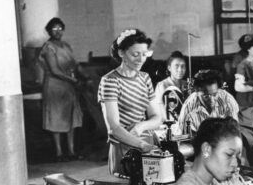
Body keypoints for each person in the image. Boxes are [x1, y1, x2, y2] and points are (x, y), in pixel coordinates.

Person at [97, 28, 163, 176]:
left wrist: (140, 126)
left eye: (144, 54)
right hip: (124, 146)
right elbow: (114, 128)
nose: (140, 59)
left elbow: (157, 118)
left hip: (147, 142)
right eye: (135, 54)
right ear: (121, 53)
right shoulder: (110, 81)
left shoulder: (145, 78)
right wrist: (141, 145)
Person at [38, 17, 83, 161]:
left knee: (70, 118)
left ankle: (71, 151)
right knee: (56, 119)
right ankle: (59, 153)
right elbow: (55, 70)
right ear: (49, 31)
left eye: (60, 28)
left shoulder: (66, 45)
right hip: (54, 86)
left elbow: (75, 63)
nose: (58, 31)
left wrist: (85, 75)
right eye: (54, 29)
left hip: (68, 86)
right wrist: (74, 80)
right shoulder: (48, 47)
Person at [176, 68, 240, 135]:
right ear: (196, 92)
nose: (212, 99)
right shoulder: (189, 105)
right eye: (206, 96)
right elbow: (181, 134)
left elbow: (235, 131)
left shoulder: (228, 100)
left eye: (214, 94)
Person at [154, 51, 190, 133]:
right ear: (169, 68)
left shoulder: (187, 85)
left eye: (183, 66)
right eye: (176, 66)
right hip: (168, 126)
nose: (180, 70)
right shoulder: (162, 85)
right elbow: (161, 111)